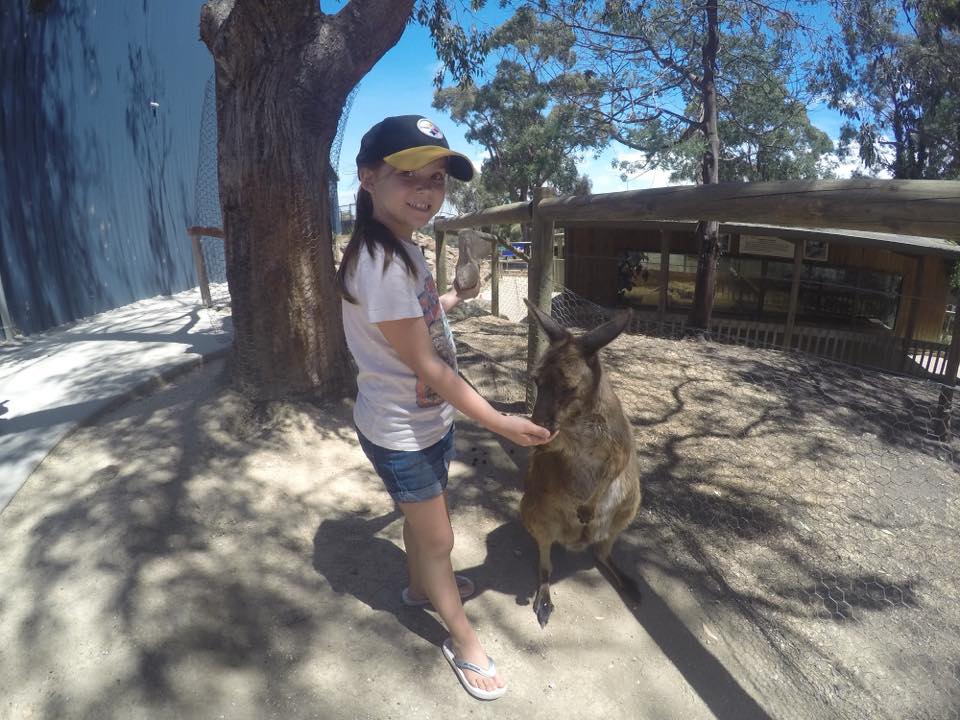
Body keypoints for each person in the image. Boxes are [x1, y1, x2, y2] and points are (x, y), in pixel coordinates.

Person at [335, 115, 553, 701]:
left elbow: (413, 324)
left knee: (424, 532)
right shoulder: (381, 262)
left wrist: (455, 296)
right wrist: (501, 421)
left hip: (426, 420)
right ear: (367, 178)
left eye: (437, 177)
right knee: (439, 540)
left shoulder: (400, 246)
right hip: (401, 428)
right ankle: (464, 642)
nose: (427, 190)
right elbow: (428, 366)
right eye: (409, 175)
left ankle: (417, 587)